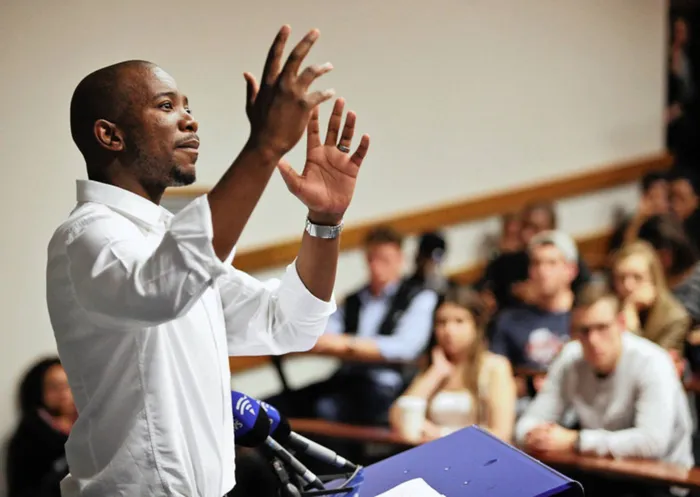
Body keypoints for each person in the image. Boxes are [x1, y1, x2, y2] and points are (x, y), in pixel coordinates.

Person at [45, 26, 370, 497]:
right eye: (166, 106)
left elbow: (288, 324)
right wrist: (264, 148)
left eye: (188, 107)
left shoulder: (163, 240)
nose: (190, 121)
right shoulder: (86, 235)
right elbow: (162, 290)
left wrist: (324, 220)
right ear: (110, 135)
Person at [516, 281, 694, 497]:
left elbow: (652, 443)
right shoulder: (571, 357)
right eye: (584, 330)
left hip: (661, 479)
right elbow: (528, 422)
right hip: (600, 471)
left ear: (621, 323)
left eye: (602, 327)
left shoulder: (652, 361)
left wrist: (575, 441)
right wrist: (536, 435)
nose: (593, 340)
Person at [389, 286, 516, 443]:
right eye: (442, 322)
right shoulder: (434, 364)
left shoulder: (495, 366)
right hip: (434, 453)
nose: (449, 330)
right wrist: (434, 374)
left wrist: (442, 435)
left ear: (476, 325)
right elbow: (398, 417)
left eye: (459, 321)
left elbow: (501, 433)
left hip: (475, 453)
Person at [6, 357, 77, 497]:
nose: (64, 393)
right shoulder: (27, 438)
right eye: (54, 387)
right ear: (39, 391)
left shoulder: (91, 426)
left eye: (69, 385)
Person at [611, 241, 690, 359]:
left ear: (653, 278)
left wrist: (631, 326)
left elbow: (652, 363)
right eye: (621, 278)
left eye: (637, 277)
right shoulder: (609, 307)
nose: (628, 285)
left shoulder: (674, 318)